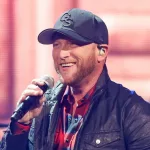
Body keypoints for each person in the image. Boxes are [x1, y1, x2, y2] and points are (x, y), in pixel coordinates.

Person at [1, 8, 150, 150]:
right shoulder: (41, 105)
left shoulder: (131, 110)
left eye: (73, 43)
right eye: (57, 45)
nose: (62, 54)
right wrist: (21, 124)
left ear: (101, 52)